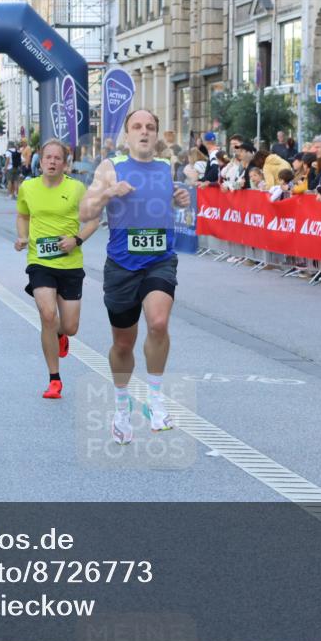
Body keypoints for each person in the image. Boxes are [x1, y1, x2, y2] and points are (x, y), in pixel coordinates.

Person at [79, 109, 192, 444]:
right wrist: (108, 193)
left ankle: (156, 401)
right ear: (127, 134)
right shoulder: (110, 168)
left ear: (156, 134)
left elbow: (164, 200)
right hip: (122, 266)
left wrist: (178, 197)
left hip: (159, 260)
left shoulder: (164, 167)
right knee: (123, 343)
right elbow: (85, 211)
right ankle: (122, 405)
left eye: (150, 127)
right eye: (137, 127)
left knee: (158, 323)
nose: (144, 132)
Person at [14, 139, 97, 399]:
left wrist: (77, 240)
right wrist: (22, 236)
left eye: (57, 158)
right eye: (47, 157)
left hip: (70, 263)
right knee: (47, 315)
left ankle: (62, 334)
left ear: (65, 163)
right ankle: (54, 380)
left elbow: (94, 221)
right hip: (40, 261)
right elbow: (23, 215)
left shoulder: (76, 189)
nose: (51, 162)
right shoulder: (28, 187)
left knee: (70, 326)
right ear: (40, 160)